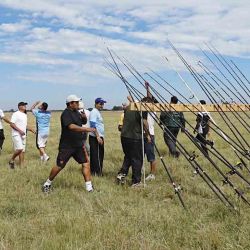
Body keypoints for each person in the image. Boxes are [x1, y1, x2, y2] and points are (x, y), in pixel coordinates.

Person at [42, 95, 96, 193]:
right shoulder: (65, 114)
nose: (78, 104)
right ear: (70, 103)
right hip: (67, 146)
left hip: (79, 144)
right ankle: (47, 184)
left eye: (78, 102)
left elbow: (82, 122)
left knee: (86, 164)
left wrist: (84, 118)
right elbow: (71, 127)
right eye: (76, 102)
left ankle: (89, 188)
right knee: (60, 166)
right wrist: (86, 129)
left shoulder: (77, 112)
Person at [117, 97, 151, 187]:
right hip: (135, 137)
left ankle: (121, 175)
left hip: (124, 136)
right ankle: (136, 182)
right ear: (147, 103)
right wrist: (147, 134)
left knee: (128, 157)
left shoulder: (129, 107)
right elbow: (144, 122)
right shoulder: (143, 107)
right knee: (137, 159)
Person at [9, 102, 36, 168]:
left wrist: (32, 130)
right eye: (23, 105)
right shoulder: (16, 114)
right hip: (16, 134)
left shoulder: (24, 115)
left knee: (22, 151)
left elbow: (25, 126)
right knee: (20, 149)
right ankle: (12, 159)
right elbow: (11, 124)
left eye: (25, 105)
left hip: (23, 135)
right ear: (19, 106)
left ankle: (21, 165)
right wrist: (20, 131)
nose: (25, 106)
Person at [89, 97, 106, 176]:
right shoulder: (94, 112)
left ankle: (93, 172)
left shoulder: (97, 112)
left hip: (97, 136)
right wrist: (98, 137)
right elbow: (92, 125)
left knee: (96, 155)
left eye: (103, 104)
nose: (102, 105)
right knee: (98, 155)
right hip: (95, 137)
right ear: (96, 104)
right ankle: (98, 173)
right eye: (100, 104)